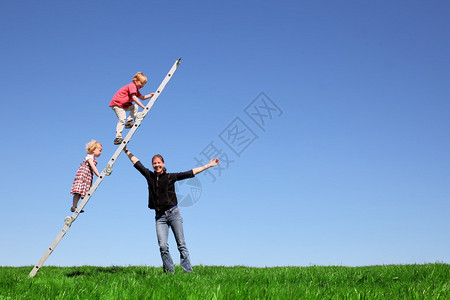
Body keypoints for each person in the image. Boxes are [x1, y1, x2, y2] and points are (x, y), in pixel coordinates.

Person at [123, 145, 219, 273]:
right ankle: (169, 273)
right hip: (159, 217)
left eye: (159, 163)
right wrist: (125, 150)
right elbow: (136, 162)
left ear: (163, 163)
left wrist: (208, 165)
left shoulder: (170, 177)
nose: (157, 165)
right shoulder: (149, 176)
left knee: (181, 244)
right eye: (154, 163)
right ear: (152, 165)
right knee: (163, 246)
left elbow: (190, 173)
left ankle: (187, 272)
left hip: (173, 213)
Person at [109, 72, 155, 145]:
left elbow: (142, 98)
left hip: (124, 105)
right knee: (122, 118)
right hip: (117, 104)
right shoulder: (132, 86)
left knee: (134, 107)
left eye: (144, 84)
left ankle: (129, 122)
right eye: (141, 83)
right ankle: (118, 138)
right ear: (135, 81)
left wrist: (151, 95)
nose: (142, 85)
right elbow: (134, 97)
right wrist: (143, 107)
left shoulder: (136, 90)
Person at [70, 140, 102, 213]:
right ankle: (74, 206)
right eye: (100, 150)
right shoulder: (89, 157)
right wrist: (98, 175)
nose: (101, 153)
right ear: (93, 150)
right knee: (78, 191)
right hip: (83, 175)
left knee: (80, 192)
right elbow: (92, 165)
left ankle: (76, 207)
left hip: (87, 176)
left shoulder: (92, 157)